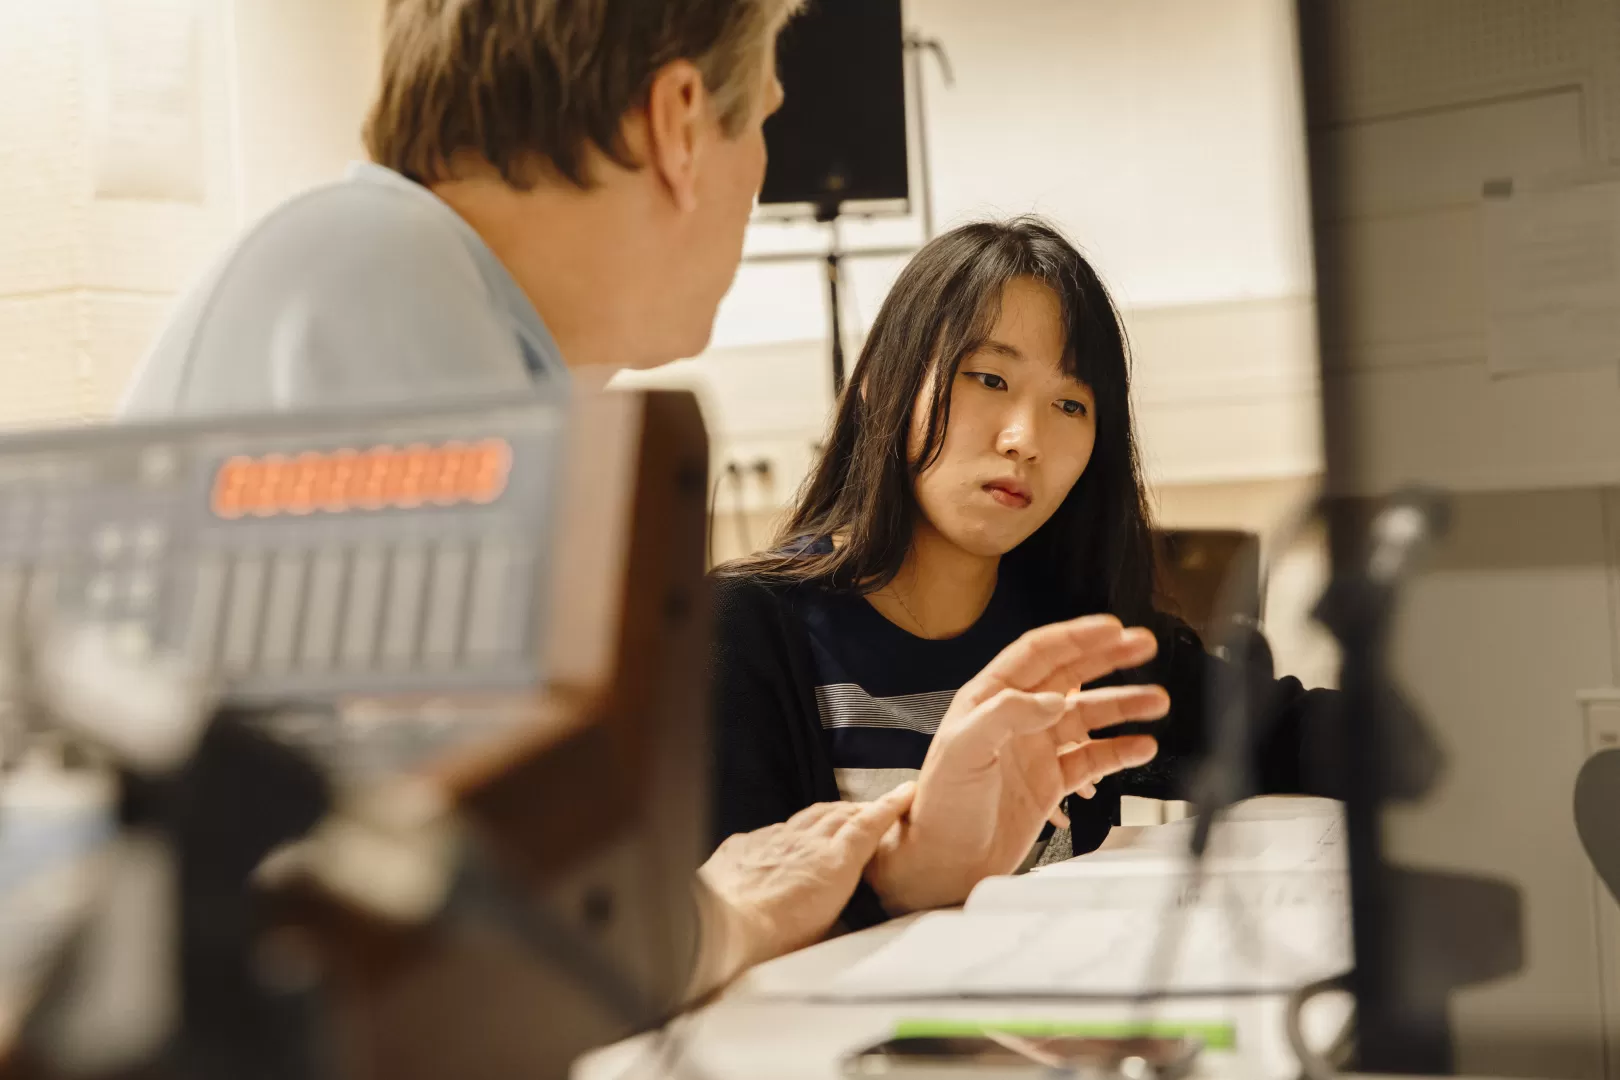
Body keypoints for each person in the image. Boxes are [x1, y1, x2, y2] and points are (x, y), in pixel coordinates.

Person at [114, 0, 909, 1000]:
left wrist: (695, 908)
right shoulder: (392, 290)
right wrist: (727, 916)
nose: (761, 168)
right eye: (760, 122)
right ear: (677, 122)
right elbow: (504, 896)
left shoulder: (390, 275)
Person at [711, 217, 1335, 925]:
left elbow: (1302, 736)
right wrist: (906, 876)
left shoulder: (1075, 638)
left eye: (1070, 404)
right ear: (882, 388)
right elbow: (713, 927)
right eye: (989, 378)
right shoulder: (747, 629)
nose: (1025, 439)